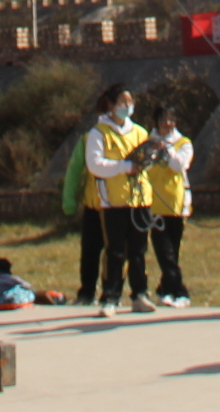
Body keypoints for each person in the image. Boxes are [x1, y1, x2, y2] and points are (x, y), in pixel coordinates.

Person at [82, 83, 156, 315]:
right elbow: (95, 165)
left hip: (140, 199)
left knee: (138, 249)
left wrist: (150, 158)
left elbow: (148, 159)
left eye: (130, 102)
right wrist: (125, 167)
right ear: (111, 105)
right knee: (115, 250)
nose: (127, 106)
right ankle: (111, 297)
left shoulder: (140, 132)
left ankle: (139, 294)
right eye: (123, 102)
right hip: (113, 200)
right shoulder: (99, 133)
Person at [147, 107, 196, 308]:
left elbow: (178, 165)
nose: (167, 124)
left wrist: (166, 147)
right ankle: (180, 291)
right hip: (153, 204)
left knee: (172, 251)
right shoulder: (147, 142)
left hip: (176, 204)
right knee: (163, 251)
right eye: (164, 120)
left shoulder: (184, 143)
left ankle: (166, 289)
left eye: (171, 120)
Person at [58, 106, 102, 305]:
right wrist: (69, 202)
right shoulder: (88, 139)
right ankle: (87, 292)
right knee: (90, 251)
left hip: (120, 206)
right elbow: (75, 171)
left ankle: (113, 293)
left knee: (118, 253)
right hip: (93, 204)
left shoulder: (134, 134)